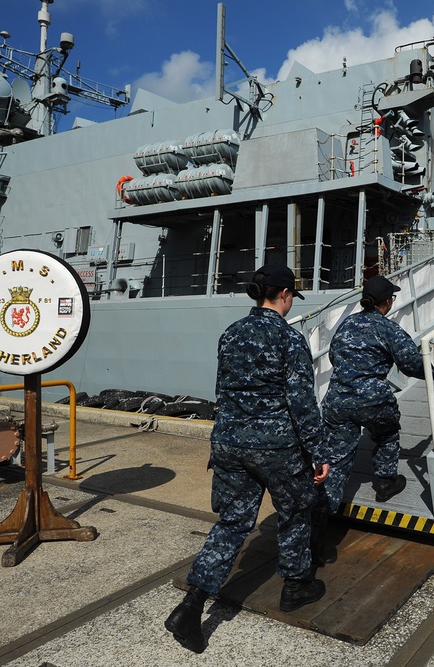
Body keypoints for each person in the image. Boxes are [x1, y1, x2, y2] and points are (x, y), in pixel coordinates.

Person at [165, 263, 330, 654]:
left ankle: (191, 607)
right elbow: (302, 404)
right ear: (286, 295)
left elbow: (224, 388)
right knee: (295, 510)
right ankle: (295, 586)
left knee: (233, 523)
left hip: (228, 442)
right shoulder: (288, 339)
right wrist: (319, 452)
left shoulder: (231, 333)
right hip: (275, 446)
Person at [312, 275, 425, 558]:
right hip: (373, 399)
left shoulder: (347, 324)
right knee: (387, 432)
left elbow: (335, 357)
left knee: (335, 464)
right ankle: (385, 482)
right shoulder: (388, 328)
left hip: (338, 401)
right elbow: (412, 364)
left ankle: (316, 533)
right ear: (386, 302)